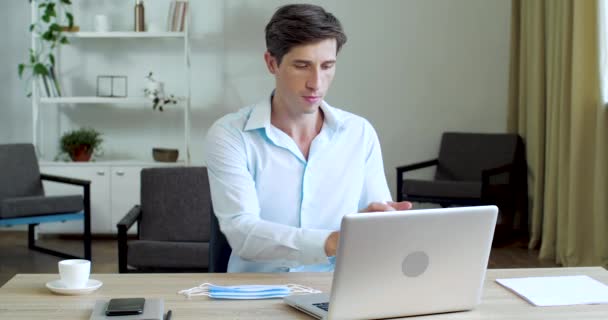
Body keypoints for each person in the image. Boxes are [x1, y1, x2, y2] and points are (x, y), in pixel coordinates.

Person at [205, 4, 411, 273]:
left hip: (337, 292)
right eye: (302, 66)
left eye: (327, 66)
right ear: (271, 63)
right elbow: (243, 233)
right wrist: (332, 241)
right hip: (256, 295)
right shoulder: (230, 135)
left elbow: (376, 226)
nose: (317, 83)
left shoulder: (359, 133)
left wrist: (388, 223)